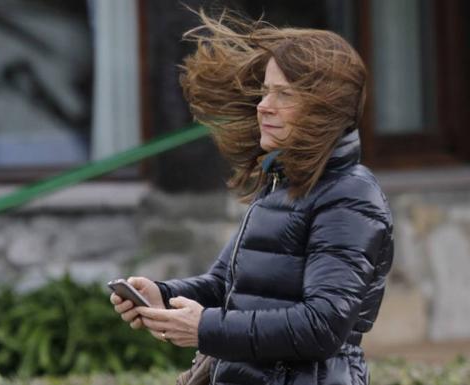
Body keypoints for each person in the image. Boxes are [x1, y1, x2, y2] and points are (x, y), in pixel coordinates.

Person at [111, 10, 393, 385]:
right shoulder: (279, 184)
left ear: (324, 109)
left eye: (284, 94)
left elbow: (322, 325)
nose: (263, 106)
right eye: (265, 91)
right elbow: (228, 287)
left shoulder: (350, 197)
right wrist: (163, 296)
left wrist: (205, 327)